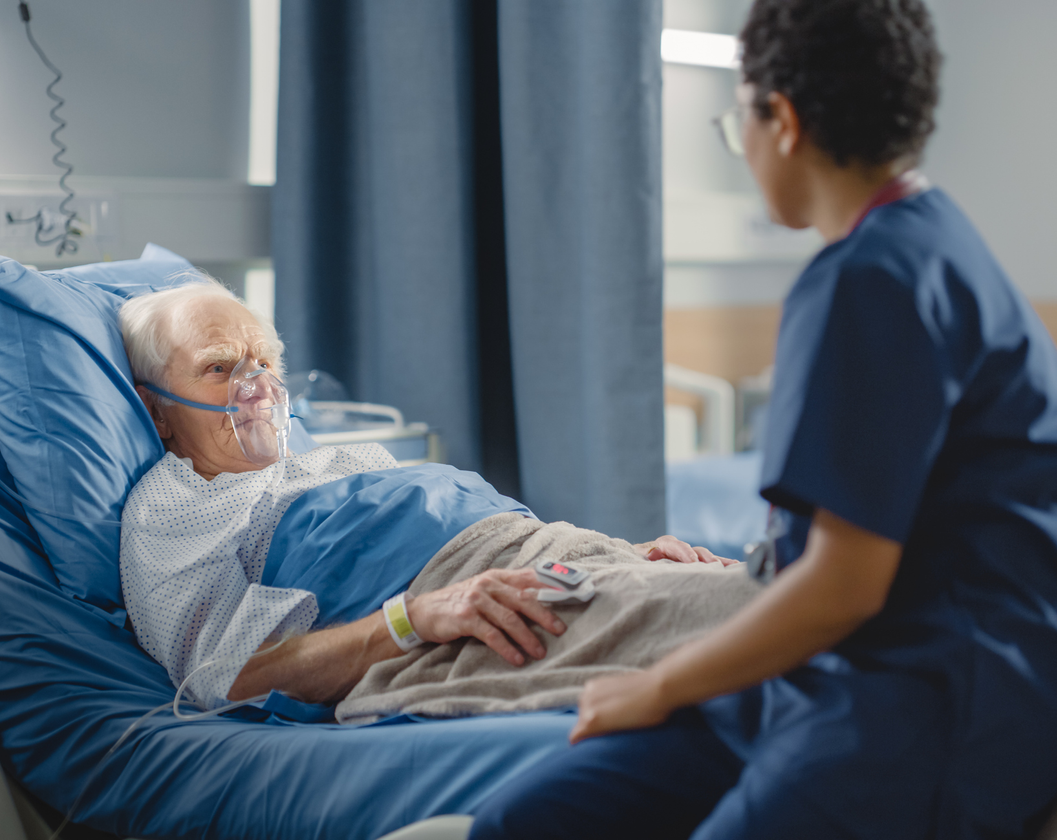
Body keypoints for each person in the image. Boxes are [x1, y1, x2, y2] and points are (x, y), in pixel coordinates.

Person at [470, 1, 1057, 838]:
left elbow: (847, 583)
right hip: (825, 679)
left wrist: (663, 682)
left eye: (736, 115)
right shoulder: (931, 240)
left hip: (926, 702)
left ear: (780, 119)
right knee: (525, 820)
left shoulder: (874, 278)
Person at [116, 281, 732, 710]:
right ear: (158, 411)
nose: (257, 388)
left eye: (265, 362)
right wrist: (413, 620)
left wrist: (624, 553)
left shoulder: (331, 459)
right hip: (463, 607)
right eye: (220, 369)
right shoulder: (175, 502)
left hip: (540, 557)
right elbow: (220, 678)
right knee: (746, 622)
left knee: (730, 585)